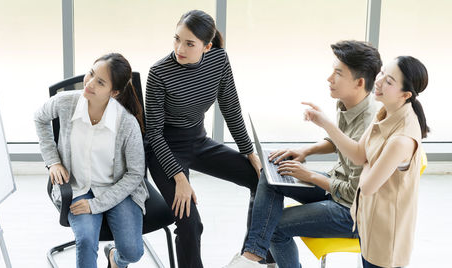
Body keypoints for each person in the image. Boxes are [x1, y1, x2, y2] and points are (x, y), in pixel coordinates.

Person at [225, 40, 382, 268]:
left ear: (359, 82)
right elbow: (340, 141)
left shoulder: (369, 123)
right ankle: (252, 254)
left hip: (351, 212)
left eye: (338, 73)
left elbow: (353, 194)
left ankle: (251, 257)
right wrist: (304, 151)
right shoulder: (349, 103)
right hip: (336, 186)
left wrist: (309, 176)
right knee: (272, 174)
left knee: (276, 228)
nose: (329, 78)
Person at [145, 10, 262, 267]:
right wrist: (179, 178)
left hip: (197, 142)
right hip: (163, 149)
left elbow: (230, 108)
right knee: (190, 224)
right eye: (176, 39)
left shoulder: (219, 60)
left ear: (207, 47)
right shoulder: (159, 73)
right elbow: (153, 133)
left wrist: (249, 153)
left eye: (189, 43)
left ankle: (253, 257)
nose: (179, 48)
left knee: (261, 181)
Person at [304, 56, 429, 268]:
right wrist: (325, 123)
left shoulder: (401, 139)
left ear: (406, 95)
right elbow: (359, 154)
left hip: (385, 235)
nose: (378, 81)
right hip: (366, 219)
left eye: (389, 81)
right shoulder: (385, 111)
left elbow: (368, 186)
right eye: (382, 73)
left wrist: (369, 160)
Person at [34, 53, 148, 268]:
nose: (90, 83)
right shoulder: (65, 102)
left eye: (100, 82)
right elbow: (39, 118)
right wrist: (53, 161)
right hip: (78, 187)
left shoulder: (126, 123)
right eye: (91, 74)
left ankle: (115, 258)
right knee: (86, 241)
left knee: (132, 252)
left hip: (117, 188)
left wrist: (96, 205)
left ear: (113, 92)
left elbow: (134, 174)